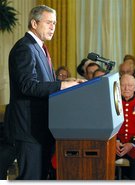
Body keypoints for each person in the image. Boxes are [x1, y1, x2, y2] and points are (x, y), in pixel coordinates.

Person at [5, 5, 83, 180]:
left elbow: (46, 83)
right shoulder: (25, 48)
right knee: (31, 179)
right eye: (49, 22)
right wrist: (62, 85)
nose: (53, 27)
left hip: (42, 128)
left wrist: (71, 83)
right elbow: (28, 86)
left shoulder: (40, 48)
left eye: (54, 23)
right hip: (29, 129)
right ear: (34, 23)